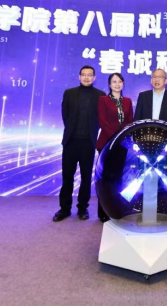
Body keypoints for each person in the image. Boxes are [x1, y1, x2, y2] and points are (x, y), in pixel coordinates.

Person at [53, 66, 105, 222]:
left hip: (88, 142)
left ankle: (83, 208)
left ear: (94, 78)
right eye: (84, 75)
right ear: (79, 76)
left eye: (90, 75)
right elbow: (65, 115)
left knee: (86, 177)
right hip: (70, 141)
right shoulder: (69, 93)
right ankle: (64, 209)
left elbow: (100, 119)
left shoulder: (100, 95)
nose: (86, 77)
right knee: (67, 176)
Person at [96, 73, 134, 222]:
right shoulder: (103, 100)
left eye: (119, 81)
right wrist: (115, 138)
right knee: (105, 178)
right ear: (109, 84)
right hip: (106, 143)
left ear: (123, 84)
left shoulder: (128, 101)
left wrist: (122, 139)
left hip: (122, 144)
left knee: (118, 177)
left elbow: (130, 121)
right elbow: (102, 122)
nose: (117, 84)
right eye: (114, 82)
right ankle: (103, 211)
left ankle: (116, 208)